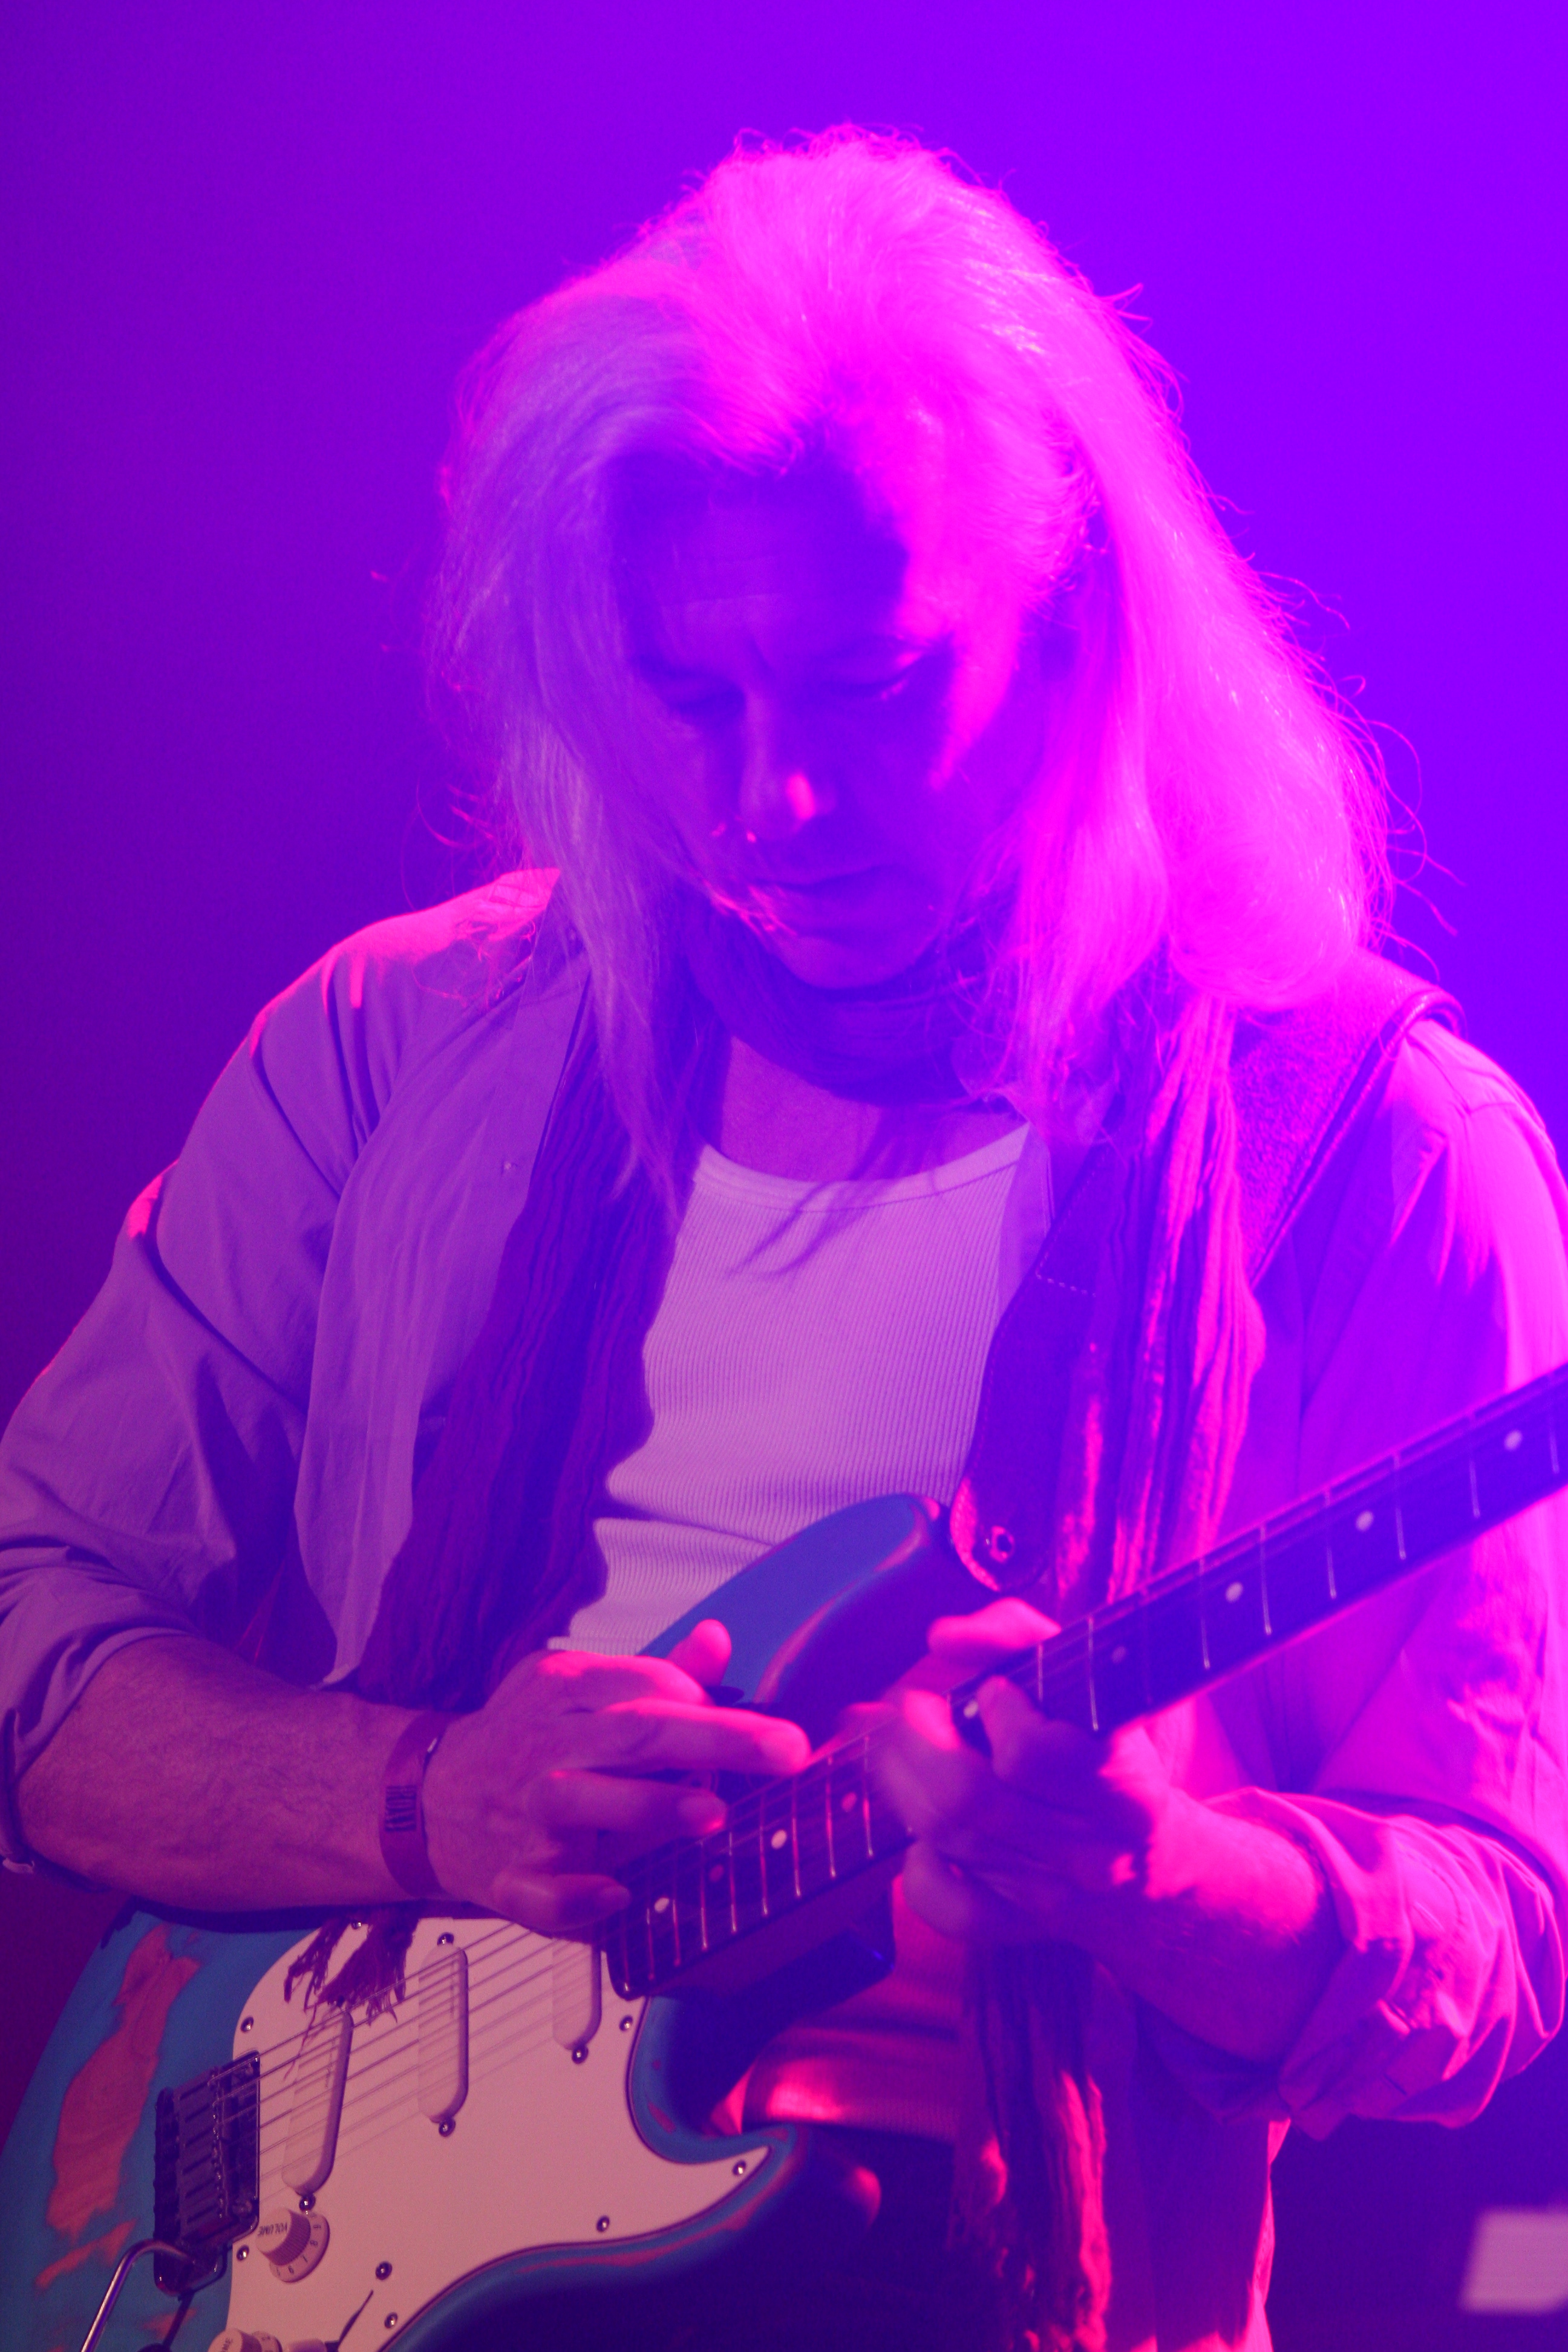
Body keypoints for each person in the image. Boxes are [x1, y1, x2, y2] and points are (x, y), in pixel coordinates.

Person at [2, 130, 1566, 2352]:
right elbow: (32, 1631)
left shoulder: (1386, 1158)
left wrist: (1148, 1867)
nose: (773, 805)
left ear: (1080, 634)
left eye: (870, 685)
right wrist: (424, 1800)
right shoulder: (388, 1047)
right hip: (340, 2252)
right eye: (689, 698)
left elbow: (1493, 1935)